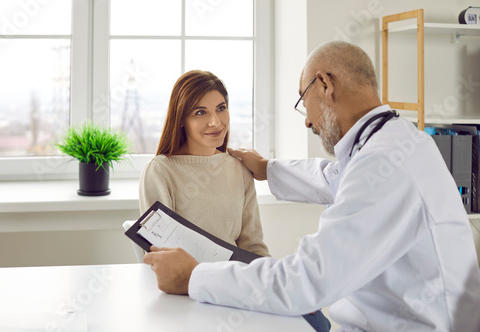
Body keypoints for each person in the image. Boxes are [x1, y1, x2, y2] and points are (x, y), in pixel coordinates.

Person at [144, 41, 480, 331]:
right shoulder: (394, 143)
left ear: (324, 85)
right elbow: (334, 179)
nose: (306, 120)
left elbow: (306, 280)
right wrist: (267, 169)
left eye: (303, 102)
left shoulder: (383, 163)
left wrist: (195, 277)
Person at [139, 70, 270, 257]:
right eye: (200, 112)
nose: (215, 122)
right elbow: (159, 254)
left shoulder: (239, 169)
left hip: (235, 281)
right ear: (181, 119)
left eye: (221, 108)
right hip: (186, 284)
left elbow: (253, 247)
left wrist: (272, 281)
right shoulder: (160, 172)